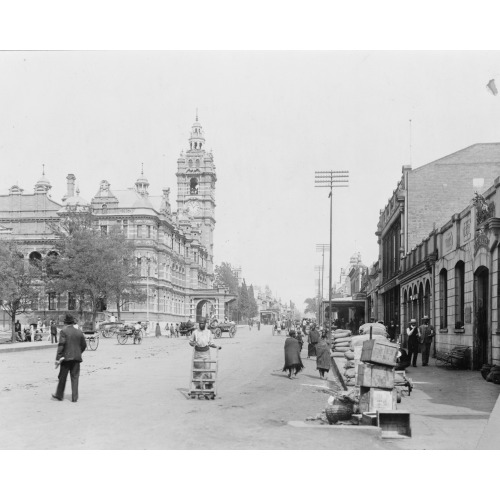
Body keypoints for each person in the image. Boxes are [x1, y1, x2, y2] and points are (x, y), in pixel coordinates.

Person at [52, 313, 87, 403]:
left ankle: (59, 395)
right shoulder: (79, 331)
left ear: (66, 323)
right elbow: (84, 345)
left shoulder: (64, 331)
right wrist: (78, 352)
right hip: (76, 358)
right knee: (75, 378)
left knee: (62, 377)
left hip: (65, 358)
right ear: (72, 322)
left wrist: (58, 358)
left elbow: (61, 345)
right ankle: (74, 398)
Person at [189, 320, 221, 393]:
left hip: (206, 353)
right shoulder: (195, 332)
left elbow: (211, 343)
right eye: (200, 323)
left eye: (203, 323)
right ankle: (198, 387)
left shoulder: (208, 332)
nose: (201, 325)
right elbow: (190, 342)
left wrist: (216, 346)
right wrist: (193, 343)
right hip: (197, 353)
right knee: (197, 371)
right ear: (199, 324)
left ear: (205, 324)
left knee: (207, 370)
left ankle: (208, 387)